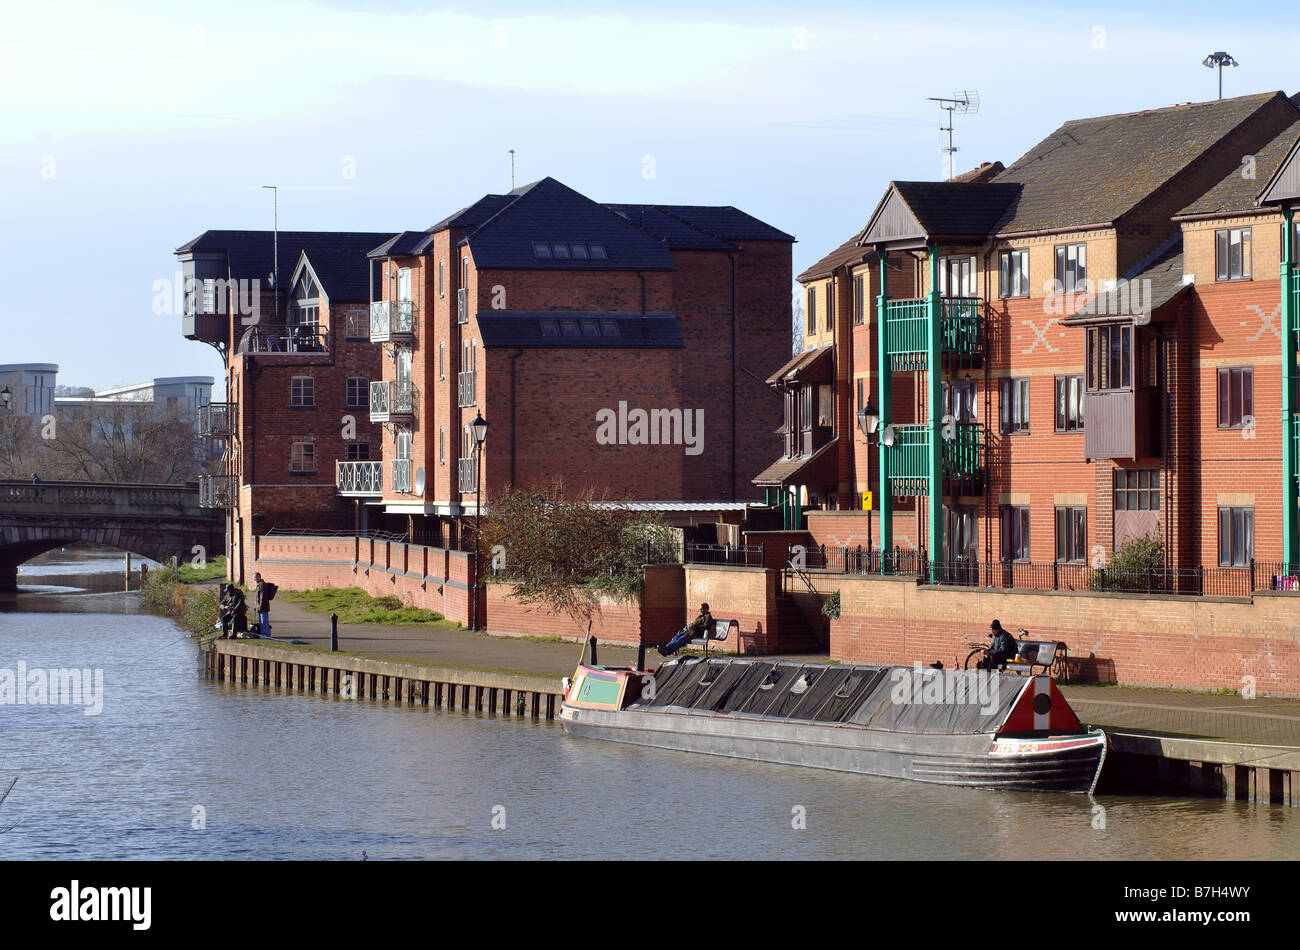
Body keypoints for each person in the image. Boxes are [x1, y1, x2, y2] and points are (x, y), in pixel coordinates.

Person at [253, 572, 277, 637]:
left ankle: (266, 634)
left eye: (255, 577)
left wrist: (260, 607)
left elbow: (262, 597)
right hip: (261, 606)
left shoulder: (262, 585)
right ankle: (264, 633)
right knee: (261, 621)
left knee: (264, 621)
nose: (254, 579)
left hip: (263, 607)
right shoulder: (259, 584)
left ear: (259, 577)